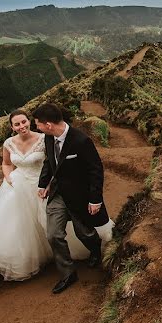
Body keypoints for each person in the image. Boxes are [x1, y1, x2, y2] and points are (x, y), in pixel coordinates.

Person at [0, 109, 89, 280]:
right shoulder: (8, 143)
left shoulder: (43, 139)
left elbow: (53, 163)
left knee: (52, 222)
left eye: (24, 122)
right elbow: (6, 163)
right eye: (17, 124)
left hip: (43, 185)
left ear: (29, 121)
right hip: (18, 186)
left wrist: (49, 183)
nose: (21, 126)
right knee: (22, 224)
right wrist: (9, 178)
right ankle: (39, 258)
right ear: (12, 127)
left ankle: (70, 253)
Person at [34, 103, 111, 294]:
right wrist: (43, 184)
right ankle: (68, 273)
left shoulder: (81, 141)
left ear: (49, 124)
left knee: (84, 233)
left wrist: (95, 200)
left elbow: (95, 171)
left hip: (79, 196)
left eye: (38, 124)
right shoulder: (49, 138)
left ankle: (95, 250)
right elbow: (49, 162)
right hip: (58, 194)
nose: (37, 128)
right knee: (53, 234)